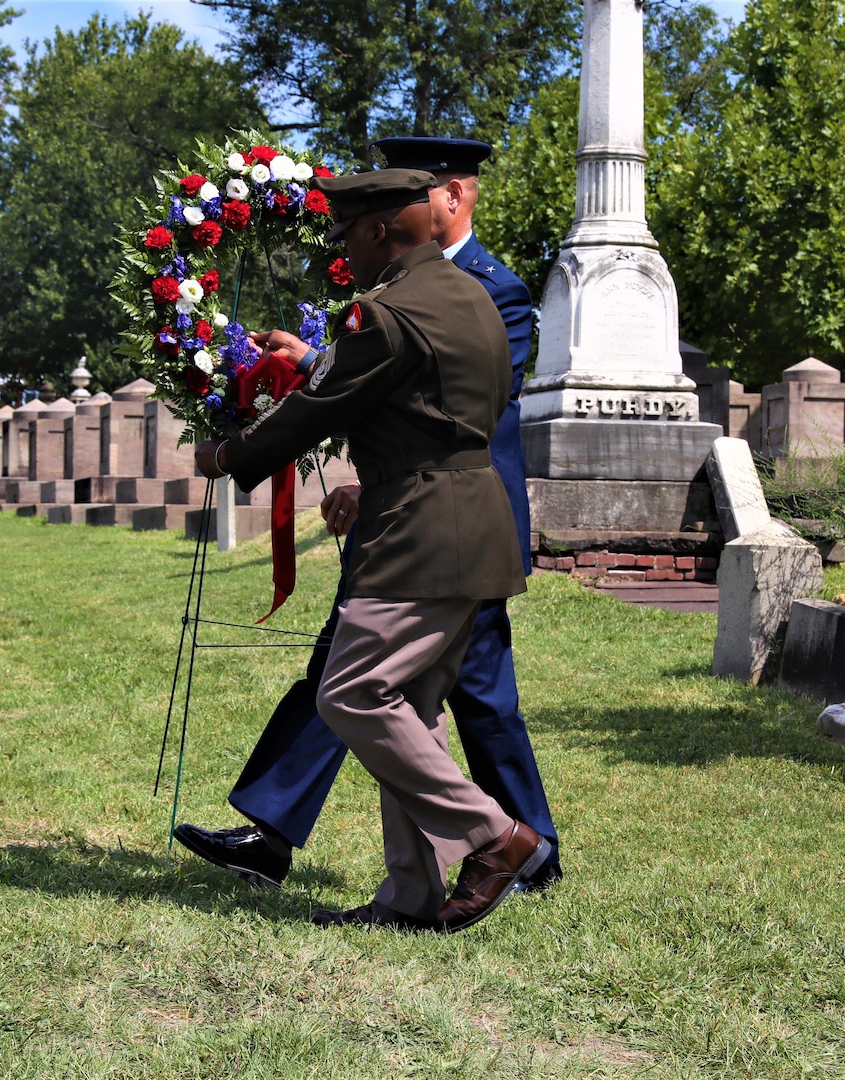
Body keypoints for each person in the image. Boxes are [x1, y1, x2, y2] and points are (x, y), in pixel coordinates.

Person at [174, 137, 561, 894]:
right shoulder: (465, 297)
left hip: (422, 527)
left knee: (354, 692)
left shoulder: (395, 309)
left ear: (382, 230)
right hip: (451, 517)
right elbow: (414, 398)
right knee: (412, 705)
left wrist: (225, 457)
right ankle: (410, 895)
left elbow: (324, 406)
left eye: (349, 231)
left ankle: (502, 837)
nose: (343, 247)